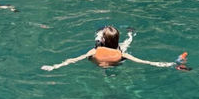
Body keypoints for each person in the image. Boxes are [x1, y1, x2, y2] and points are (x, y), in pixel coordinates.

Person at [41, 26, 188, 71]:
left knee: (121, 48)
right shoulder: (121, 52)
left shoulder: (94, 51)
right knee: (125, 45)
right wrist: (170, 64)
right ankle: (130, 36)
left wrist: (54, 66)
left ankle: (130, 36)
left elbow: (73, 60)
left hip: (101, 66)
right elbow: (145, 62)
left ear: (102, 40)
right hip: (118, 62)